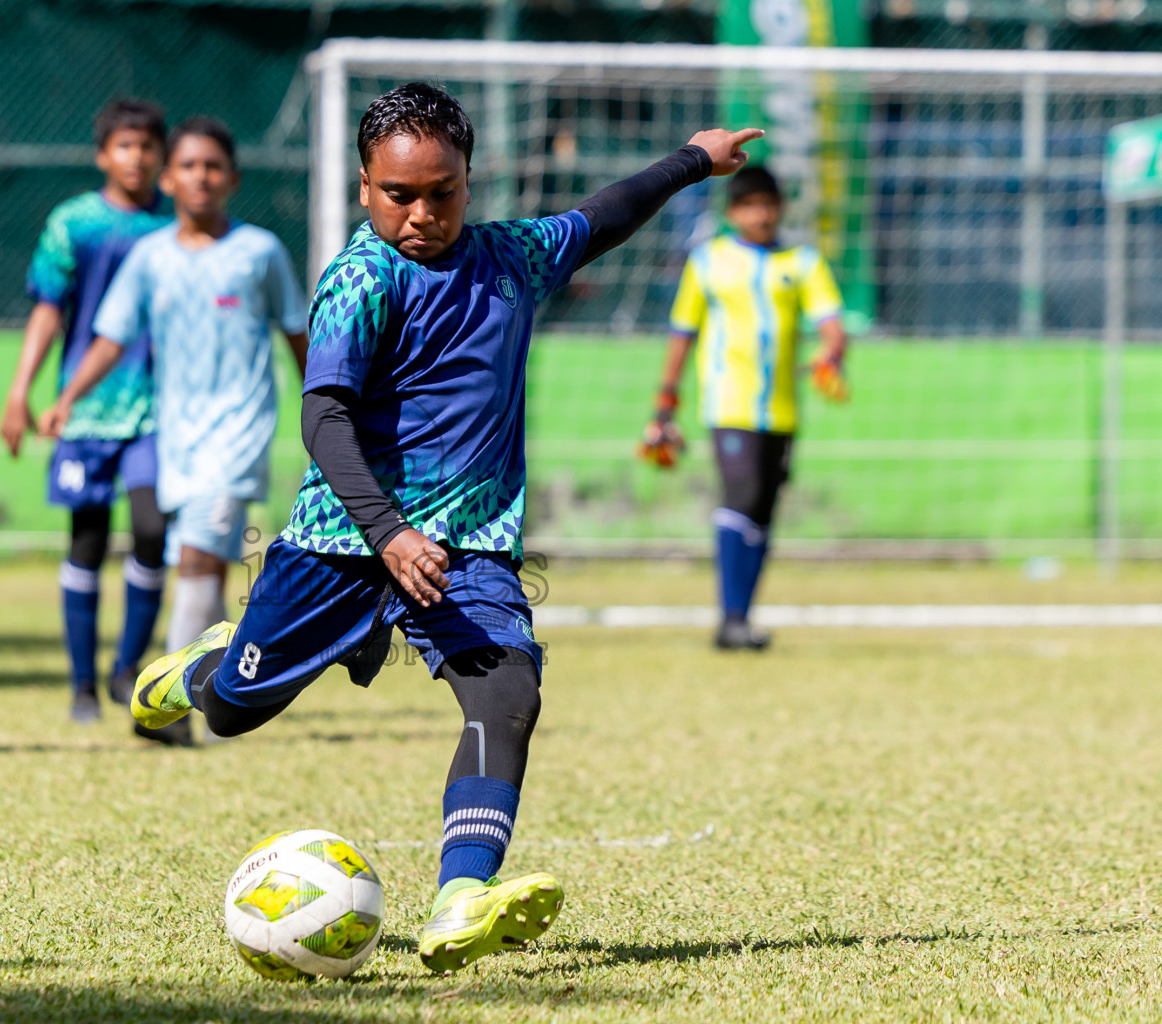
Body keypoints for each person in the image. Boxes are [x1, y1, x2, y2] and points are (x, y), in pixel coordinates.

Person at [124, 83, 759, 972]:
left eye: (443, 192)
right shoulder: (361, 278)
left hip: (466, 549)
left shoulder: (512, 258)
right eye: (400, 195)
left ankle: (461, 897)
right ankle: (203, 669)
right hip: (341, 546)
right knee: (233, 712)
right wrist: (387, 532)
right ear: (364, 188)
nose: (422, 213)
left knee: (508, 692)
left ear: (469, 180)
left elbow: (602, 217)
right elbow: (324, 421)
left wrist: (693, 159)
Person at [42, 117, 310, 746]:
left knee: (194, 559)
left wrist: (326, 411)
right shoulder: (150, 257)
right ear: (169, 179)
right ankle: (224, 705)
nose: (201, 177)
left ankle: (159, 709)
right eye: (188, 166)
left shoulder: (259, 252)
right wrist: (68, 398)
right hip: (175, 438)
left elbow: (298, 335)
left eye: (213, 166)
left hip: (237, 435)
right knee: (204, 571)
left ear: (233, 179)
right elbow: (110, 338)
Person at [0, 99, 174, 730]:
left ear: (163, 156)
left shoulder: (178, 225)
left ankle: (128, 670)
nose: (137, 157)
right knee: (87, 541)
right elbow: (48, 309)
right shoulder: (73, 223)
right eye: (125, 146)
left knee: (153, 531)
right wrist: (21, 393)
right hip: (86, 410)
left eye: (148, 146)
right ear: (104, 155)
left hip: (157, 410)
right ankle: (80, 683)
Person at [642, 165, 848, 651]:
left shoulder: (802, 262)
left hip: (781, 410)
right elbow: (682, 332)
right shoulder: (708, 261)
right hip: (728, 403)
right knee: (742, 494)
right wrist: (666, 400)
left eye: (769, 204)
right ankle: (731, 619)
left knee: (763, 509)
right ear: (733, 211)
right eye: (750, 204)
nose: (761, 214)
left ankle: (742, 619)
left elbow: (832, 324)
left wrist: (832, 355)